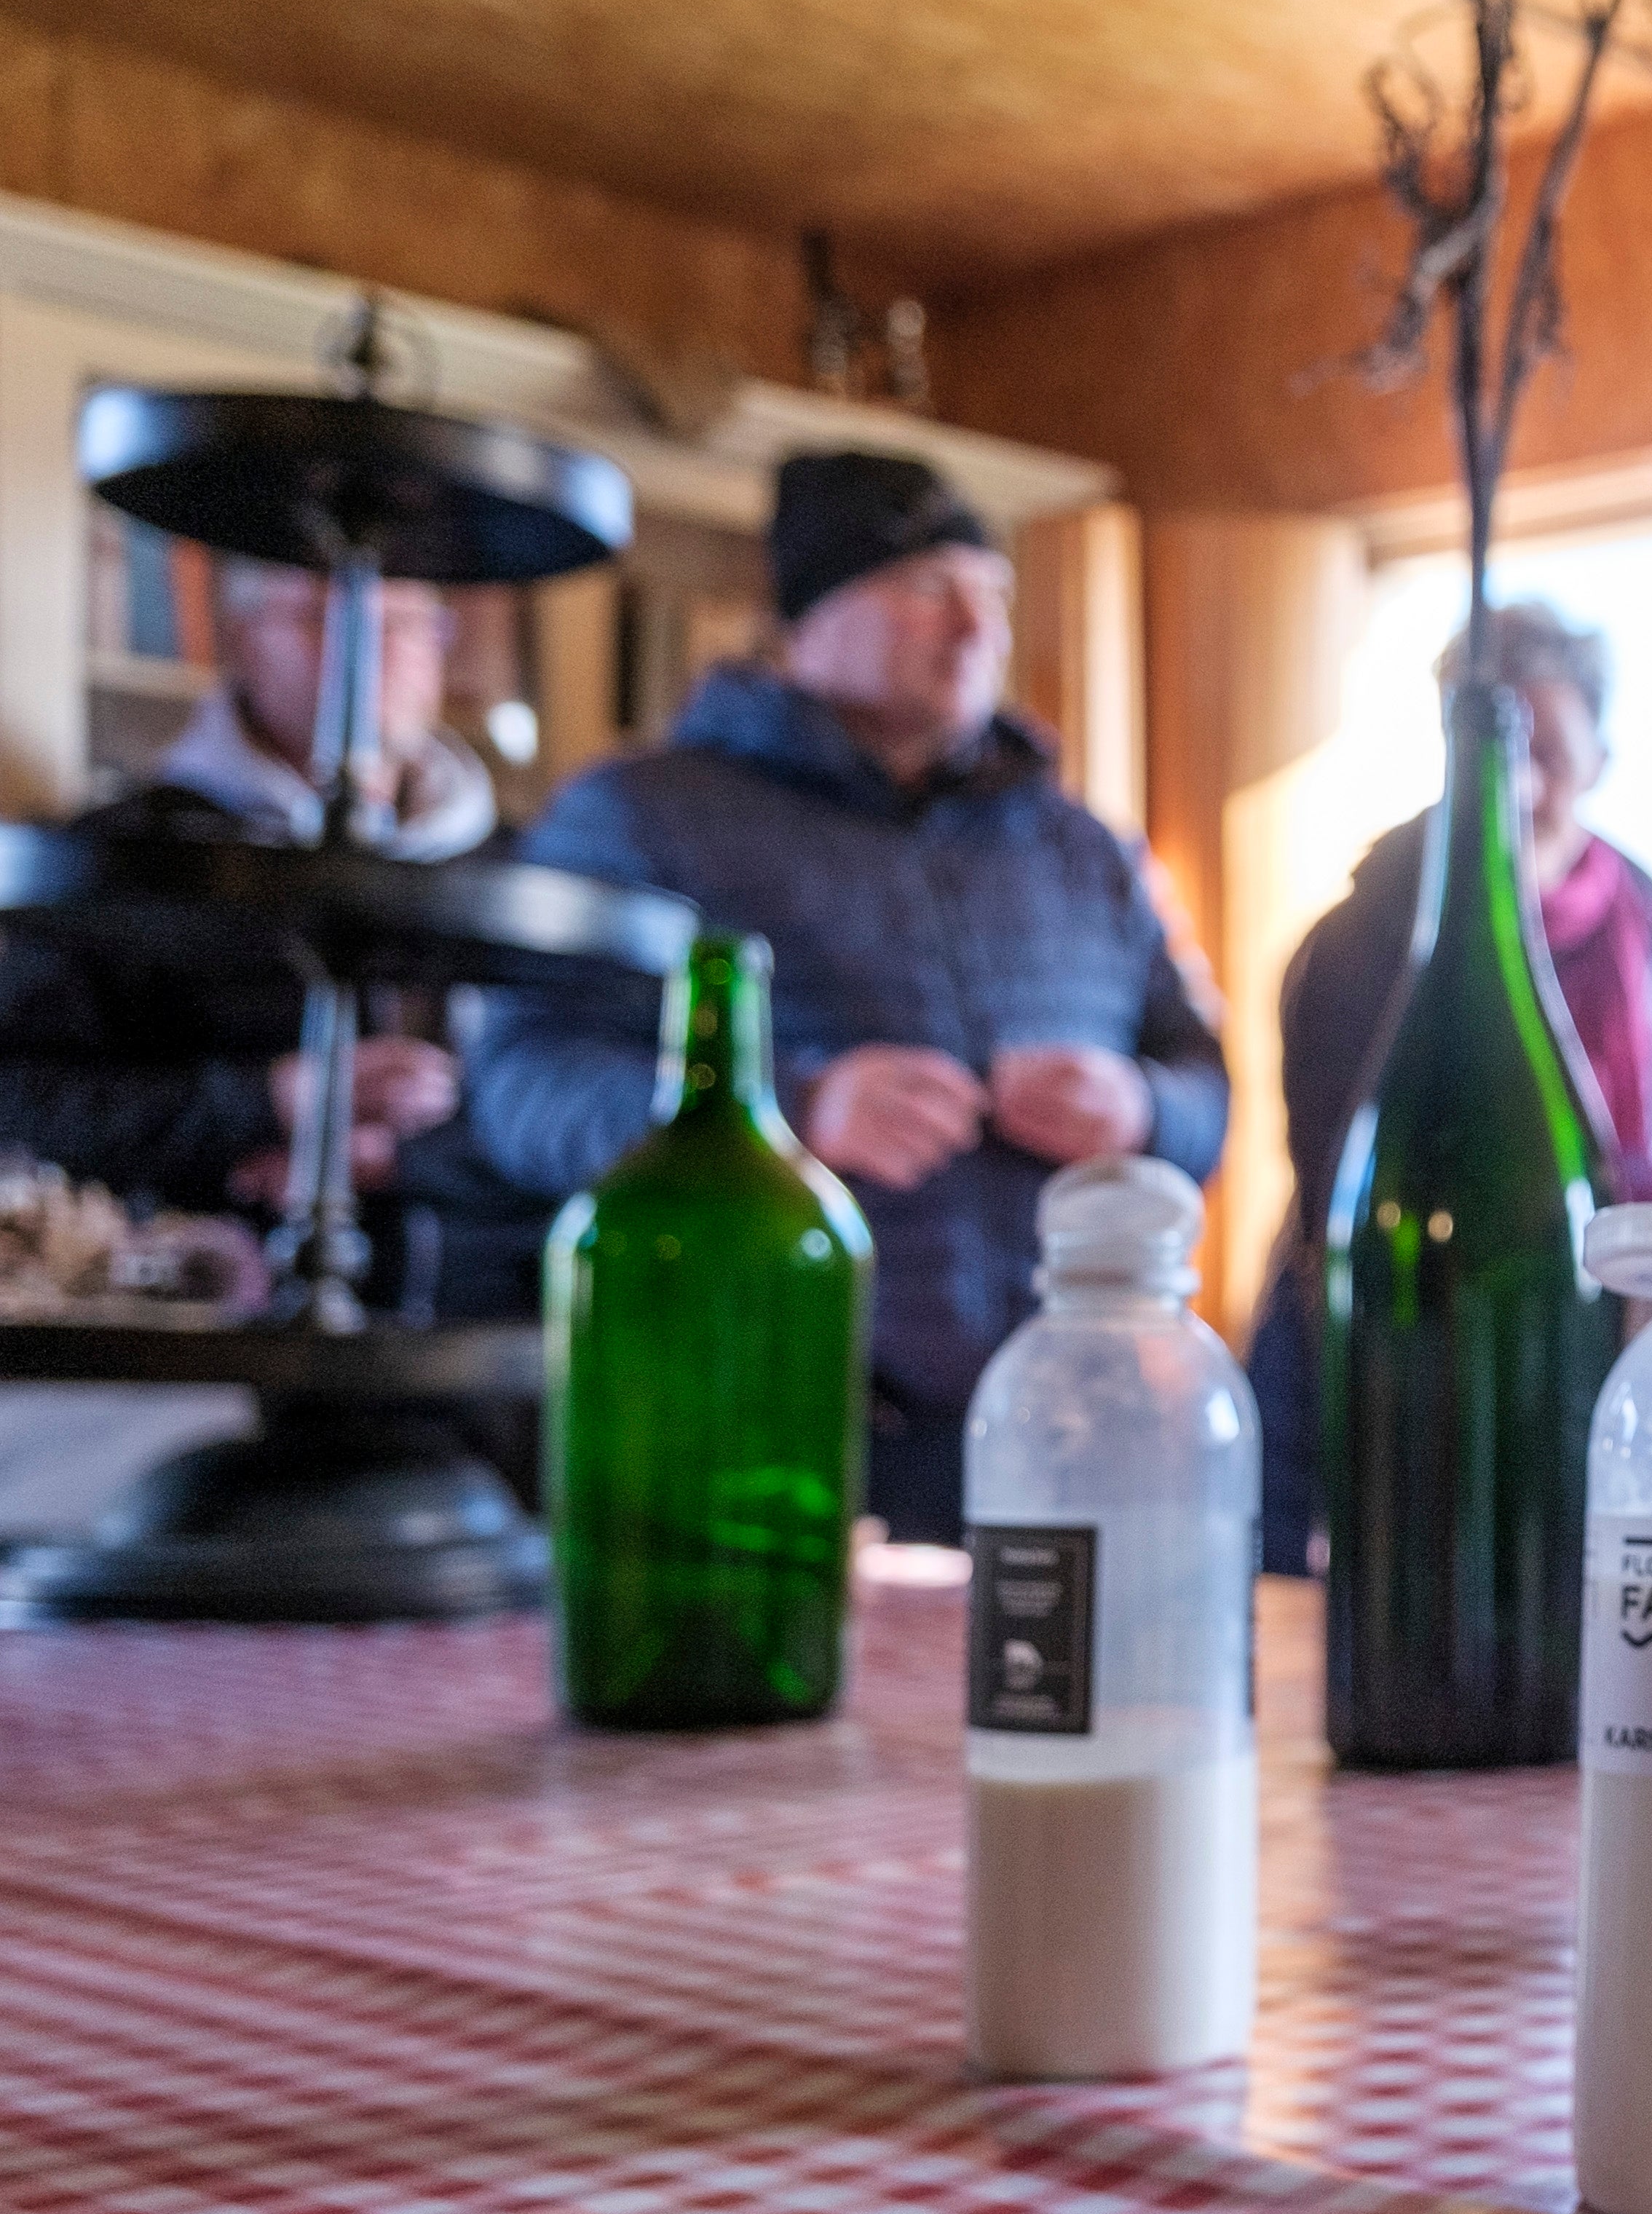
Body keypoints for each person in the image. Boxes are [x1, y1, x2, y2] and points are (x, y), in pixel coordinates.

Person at [467, 451, 1228, 1540]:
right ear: (808, 618)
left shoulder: (1084, 847)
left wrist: (1143, 1111)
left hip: (1079, 1440)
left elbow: (1203, 1083)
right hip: (761, 1448)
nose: (975, 630)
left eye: (992, 595)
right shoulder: (638, 816)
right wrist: (789, 1115)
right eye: (926, 589)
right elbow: (521, 1087)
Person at [1249, 600, 1652, 1575]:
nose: (1520, 786)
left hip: (1593, 1364)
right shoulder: (1353, 943)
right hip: (1399, 1360)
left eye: (1549, 753)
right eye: (1496, 751)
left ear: (1600, 757)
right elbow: (1338, 1193)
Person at [0, 563, 490, 1248]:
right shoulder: (114, 858)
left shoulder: (514, 865)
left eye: (405, 623)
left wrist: (405, 1163)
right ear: (243, 639)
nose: (374, 648)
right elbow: (21, 1104)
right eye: (324, 616)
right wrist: (271, 1102)